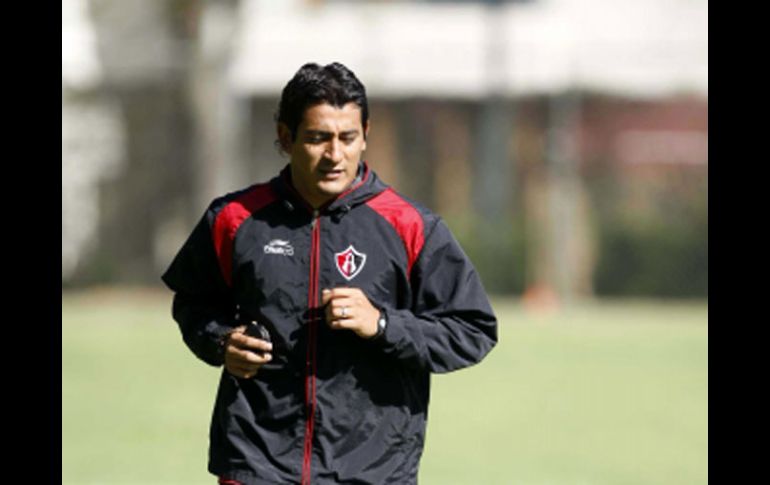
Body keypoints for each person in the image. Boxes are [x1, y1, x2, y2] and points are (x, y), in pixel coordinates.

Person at [161, 62, 498, 485]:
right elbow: (194, 302)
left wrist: (382, 323)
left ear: (366, 134)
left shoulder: (411, 226)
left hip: (372, 469)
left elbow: (472, 329)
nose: (335, 155)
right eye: (319, 138)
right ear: (286, 137)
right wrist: (220, 340)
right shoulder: (234, 218)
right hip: (256, 461)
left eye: (348, 138)